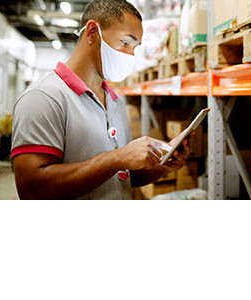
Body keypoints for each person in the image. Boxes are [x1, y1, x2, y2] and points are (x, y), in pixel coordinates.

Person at [11, 0, 194, 200]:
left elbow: (120, 177)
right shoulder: (44, 97)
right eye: (125, 42)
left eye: (135, 47)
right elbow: (31, 190)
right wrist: (118, 158)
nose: (130, 55)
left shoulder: (115, 100)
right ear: (91, 32)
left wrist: (164, 163)